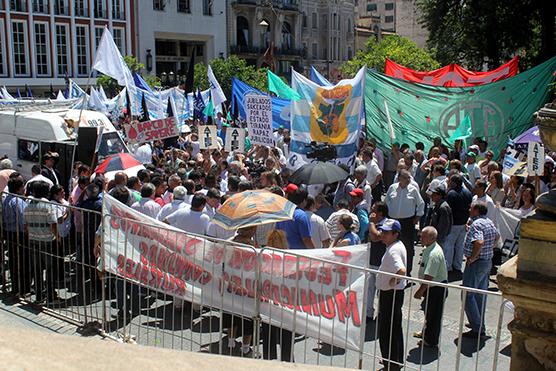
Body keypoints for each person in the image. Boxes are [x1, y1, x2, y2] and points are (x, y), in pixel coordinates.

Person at [462, 201, 499, 339]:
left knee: (468, 295)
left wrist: (472, 257)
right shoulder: (488, 222)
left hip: (477, 264)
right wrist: (489, 250)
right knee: (479, 294)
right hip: (486, 262)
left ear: (476, 210)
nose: (469, 210)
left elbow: (479, 242)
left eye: (471, 208)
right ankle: (478, 322)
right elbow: (497, 237)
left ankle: (477, 328)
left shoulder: (476, 224)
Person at [376, 219, 407, 371]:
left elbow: (401, 270)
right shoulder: (397, 246)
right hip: (393, 293)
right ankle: (395, 360)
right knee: (394, 327)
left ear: (395, 234)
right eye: (382, 231)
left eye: (386, 233)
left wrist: (392, 281)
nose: (382, 235)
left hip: (390, 294)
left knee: (386, 329)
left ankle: (390, 364)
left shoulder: (394, 250)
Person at [24, 181, 59, 303]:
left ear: (33, 192)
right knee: (50, 269)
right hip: (47, 240)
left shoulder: (28, 206)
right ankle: (50, 296)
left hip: (33, 240)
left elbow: (26, 225)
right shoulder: (47, 205)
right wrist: (57, 237)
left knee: (37, 268)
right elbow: (53, 223)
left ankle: (39, 297)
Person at [413, 226, 448, 348]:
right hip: (431, 288)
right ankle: (425, 332)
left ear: (432, 238)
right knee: (428, 312)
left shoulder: (434, 254)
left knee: (434, 315)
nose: (420, 238)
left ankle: (430, 340)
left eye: (423, 236)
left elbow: (429, 276)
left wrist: (420, 291)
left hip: (436, 288)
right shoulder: (429, 248)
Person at [385, 169, 424, 277]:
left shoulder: (413, 189)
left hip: (407, 222)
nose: (408, 180)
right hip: (393, 221)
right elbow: (386, 202)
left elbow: (421, 204)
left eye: (409, 178)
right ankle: (392, 270)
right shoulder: (392, 188)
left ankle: (407, 273)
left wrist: (417, 217)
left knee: (407, 248)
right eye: (406, 178)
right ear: (399, 178)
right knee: (391, 245)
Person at [2, 175, 30, 296]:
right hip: (19, 235)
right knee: (22, 262)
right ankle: (23, 289)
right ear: (19, 188)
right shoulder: (18, 201)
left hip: (9, 233)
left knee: (14, 261)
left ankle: (16, 288)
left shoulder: (6, 199)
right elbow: (23, 222)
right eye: (23, 186)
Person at [443, 174, 473, 276]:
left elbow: (448, 209)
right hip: (463, 222)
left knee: (449, 244)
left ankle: (448, 266)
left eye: (450, 181)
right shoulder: (468, 193)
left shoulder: (451, 194)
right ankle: (458, 265)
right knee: (460, 245)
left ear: (454, 183)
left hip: (454, 223)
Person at [367, 201, 389, 320]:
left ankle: (381, 314)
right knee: (369, 289)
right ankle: (368, 313)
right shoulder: (373, 224)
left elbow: (375, 237)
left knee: (381, 291)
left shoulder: (387, 225)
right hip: (371, 261)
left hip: (382, 263)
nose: (371, 211)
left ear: (380, 213)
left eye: (374, 209)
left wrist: (371, 223)